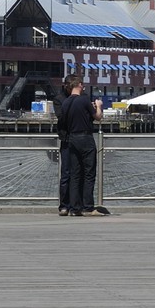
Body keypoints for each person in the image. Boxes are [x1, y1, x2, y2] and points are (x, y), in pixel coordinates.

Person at [56, 74, 109, 216]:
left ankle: (74, 208)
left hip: (72, 139)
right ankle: (88, 206)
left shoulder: (65, 103)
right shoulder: (84, 100)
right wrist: (98, 106)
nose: (84, 86)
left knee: (74, 174)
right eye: (82, 84)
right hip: (85, 138)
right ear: (78, 85)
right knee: (89, 173)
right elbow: (98, 117)